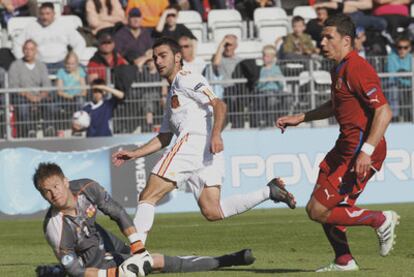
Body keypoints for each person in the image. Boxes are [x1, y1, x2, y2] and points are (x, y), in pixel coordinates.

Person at [112, 37, 296, 246]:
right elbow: (164, 137)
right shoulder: (173, 93)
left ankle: (135, 255)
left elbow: (219, 104)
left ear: (178, 57)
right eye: (155, 58)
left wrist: (216, 134)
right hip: (204, 151)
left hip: (194, 143)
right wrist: (135, 153)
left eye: (163, 56)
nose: (158, 61)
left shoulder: (185, 78)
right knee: (212, 210)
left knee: (148, 195)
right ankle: (269, 191)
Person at [276, 14, 399, 272]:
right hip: (344, 147)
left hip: (359, 152)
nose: (322, 42)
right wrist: (302, 117)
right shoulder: (339, 69)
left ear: (346, 40)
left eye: (328, 37)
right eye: (322, 37)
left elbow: (384, 112)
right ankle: (344, 259)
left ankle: (380, 219)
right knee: (325, 206)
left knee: (317, 210)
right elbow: (336, 105)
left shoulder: (357, 67)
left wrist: (366, 151)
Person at [33, 162, 255, 277]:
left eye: (55, 186)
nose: (54, 194)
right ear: (42, 196)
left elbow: (118, 212)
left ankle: (54, 271)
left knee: (146, 260)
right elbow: (77, 272)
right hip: (90, 259)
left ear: (65, 180)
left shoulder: (87, 188)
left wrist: (138, 248)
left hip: (103, 238)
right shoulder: (55, 227)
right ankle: (227, 260)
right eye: (46, 192)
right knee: (154, 264)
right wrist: (115, 274)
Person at [13, 2, 86, 72]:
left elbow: (80, 42)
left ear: (54, 14)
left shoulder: (64, 26)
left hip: (63, 63)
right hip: (39, 64)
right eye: (42, 14)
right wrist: (24, 61)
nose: (45, 17)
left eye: (48, 14)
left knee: (84, 70)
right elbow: (17, 43)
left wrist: (73, 59)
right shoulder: (31, 27)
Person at [8, 39, 55, 138]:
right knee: (23, 107)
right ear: (22, 50)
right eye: (26, 49)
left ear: (36, 51)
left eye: (31, 49)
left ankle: (48, 128)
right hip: (22, 96)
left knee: (51, 104)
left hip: (39, 96)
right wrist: (29, 96)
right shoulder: (15, 65)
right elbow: (14, 85)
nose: (28, 52)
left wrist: (40, 96)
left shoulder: (41, 65)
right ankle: (29, 130)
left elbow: (47, 84)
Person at [212, 34, 242, 128]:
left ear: (235, 46)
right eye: (226, 45)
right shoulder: (221, 59)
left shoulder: (240, 60)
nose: (228, 48)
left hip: (238, 91)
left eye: (230, 45)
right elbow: (216, 63)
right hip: (225, 91)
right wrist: (221, 44)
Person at [253, 44, 284, 128]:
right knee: (265, 98)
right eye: (263, 55)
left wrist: (276, 79)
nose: (264, 57)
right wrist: (264, 81)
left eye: (266, 56)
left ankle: (271, 120)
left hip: (275, 92)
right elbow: (257, 85)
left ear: (272, 57)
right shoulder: (260, 69)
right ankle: (266, 120)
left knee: (273, 98)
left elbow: (281, 85)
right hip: (262, 92)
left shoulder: (277, 68)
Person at [386, 36, 412, 122]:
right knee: (393, 89)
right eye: (400, 47)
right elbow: (391, 76)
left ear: (409, 48)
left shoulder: (412, 58)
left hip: (409, 85)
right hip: (396, 84)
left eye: (405, 47)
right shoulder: (391, 57)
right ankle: (395, 117)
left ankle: (411, 116)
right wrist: (405, 75)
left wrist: (401, 75)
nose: (402, 50)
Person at [56, 51, 87, 121]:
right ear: (65, 63)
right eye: (68, 63)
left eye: (72, 64)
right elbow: (59, 91)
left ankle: (79, 121)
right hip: (64, 98)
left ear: (76, 64)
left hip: (78, 97)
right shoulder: (61, 72)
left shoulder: (80, 71)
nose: (70, 66)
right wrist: (68, 96)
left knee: (80, 101)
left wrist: (77, 95)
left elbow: (84, 90)